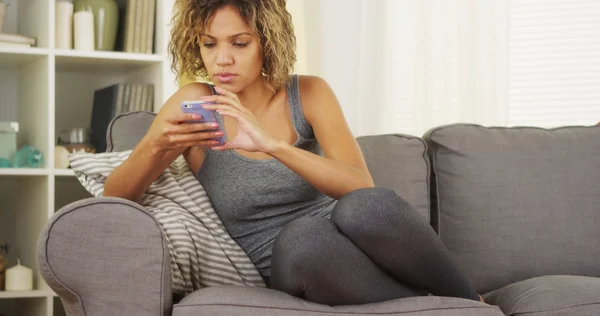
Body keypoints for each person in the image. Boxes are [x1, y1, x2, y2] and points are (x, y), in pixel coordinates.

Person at [103, 0, 484, 306]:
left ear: (268, 41)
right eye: (209, 43)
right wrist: (156, 146)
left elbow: (360, 187)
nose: (221, 60)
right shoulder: (198, 104)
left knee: (363, 206)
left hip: (360, 251)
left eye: (239, 43)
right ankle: (433, 305)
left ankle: (471, 304)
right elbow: (114, 200)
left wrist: (274, 146)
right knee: (305, 237)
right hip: (301, 264)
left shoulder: (310, 93)